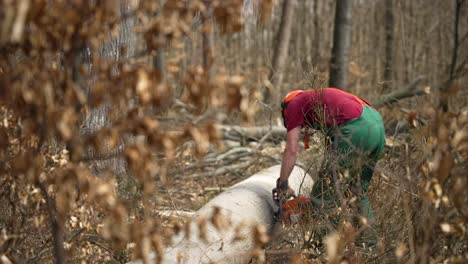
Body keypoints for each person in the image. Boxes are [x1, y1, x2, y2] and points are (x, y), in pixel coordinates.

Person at [272, 88, 385, 223]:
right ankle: (368, 242)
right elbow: (332, 149)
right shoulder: (318, 103)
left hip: (357, 129)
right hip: (377, 127)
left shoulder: (294, 104)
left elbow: (291, 149)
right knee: (357, 192)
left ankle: (323, 242)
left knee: (325, 194)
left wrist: (283, 184)